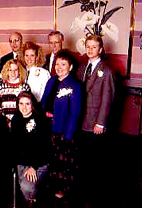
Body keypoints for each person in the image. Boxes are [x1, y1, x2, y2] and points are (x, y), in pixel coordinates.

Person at [76, 35, 115, 205]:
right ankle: (84, 191)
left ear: (100, 49)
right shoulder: (82, 67)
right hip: (81, 121)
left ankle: (96, 196)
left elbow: (108, 99)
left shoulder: (106, 71)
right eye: (88, 46)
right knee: (83, 159)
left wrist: (101, 122)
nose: (90, 49)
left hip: (95, 124)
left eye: (94, 47)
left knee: (96, 161)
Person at [41, 50, 82, 200]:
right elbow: (44, 101)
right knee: (52, 160)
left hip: (64, 131)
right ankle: (52, 185)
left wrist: (68, 135)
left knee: (64, 162)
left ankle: (64, 188)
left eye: (63, 64)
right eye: (57, 64)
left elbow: (75, 113)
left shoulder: (75, 85)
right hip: (48, 128)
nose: (59, 67)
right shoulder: (51, 81)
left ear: (70, 67)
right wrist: (45, 113)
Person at [11, 91, 51, 208]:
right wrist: (15, 163)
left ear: (32, 104)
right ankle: (32, 199)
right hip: (22, 161)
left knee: (26, 187)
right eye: (21, 103)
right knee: (23, 186)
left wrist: (34, 166)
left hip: (39, 161)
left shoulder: (41, 121)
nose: (24, 107)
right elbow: (14, 144)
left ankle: (32, 201)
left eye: (27, 104)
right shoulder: (15, 119)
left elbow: (45, 147)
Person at [0, 59, 30, 124]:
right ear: (7, 71)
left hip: (20, 120)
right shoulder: (1, 86)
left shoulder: (24, 87)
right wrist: (5, 120)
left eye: (15, 70)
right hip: (5, 121)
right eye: (10, 70)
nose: (13, 73)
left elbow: (27, 106)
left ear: (19, 71)